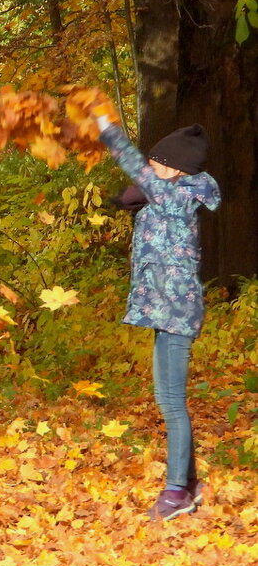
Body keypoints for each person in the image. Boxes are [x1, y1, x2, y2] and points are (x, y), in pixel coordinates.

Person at [94, 111, 221, 521]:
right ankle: (187, 484)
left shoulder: (177, 195)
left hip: (176, 313)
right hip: (164, 311)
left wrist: (104, 126)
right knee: (169, 401)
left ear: (174, 167)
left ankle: (174, 493)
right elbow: (138, 193)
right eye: (151, 159)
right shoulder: (165, 197)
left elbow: (133, 166)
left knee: (171, 403)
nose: (149, 165)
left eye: (156, 161)